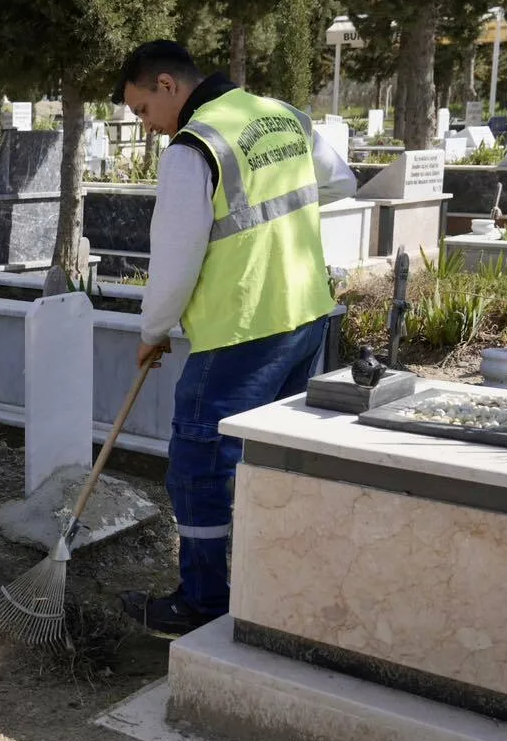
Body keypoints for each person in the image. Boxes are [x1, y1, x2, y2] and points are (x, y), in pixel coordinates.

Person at [114, 41, 355, 637]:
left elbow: (173, 261)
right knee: (267, 462)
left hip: (240, 329)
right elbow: (340, 182)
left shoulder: (192, 148)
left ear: (168, 85)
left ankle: (201, 602)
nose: (147, 126)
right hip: (305, 317)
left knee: (199, 465)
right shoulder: (279, 115)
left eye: (143, 110)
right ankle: (264, 589)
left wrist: (152, 331)